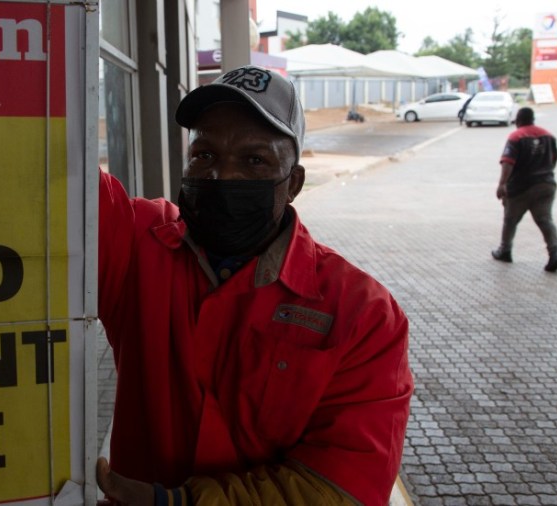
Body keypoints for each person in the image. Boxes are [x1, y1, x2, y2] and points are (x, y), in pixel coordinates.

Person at [95, 65, 413, 506]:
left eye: (254, 160)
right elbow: (63, 183)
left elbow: (343, 486)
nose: (223, 177)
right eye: (204, 155)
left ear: (294, 183)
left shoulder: (363, 313)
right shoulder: (139, 243)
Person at [491, 107, 557, 272]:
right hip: (546, 184)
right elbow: (554, 160)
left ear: (518, 120)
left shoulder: (516, 136)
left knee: (510, 219)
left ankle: (505, 250)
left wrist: (502, 184)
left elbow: (508, 162)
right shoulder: (548, 136)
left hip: (521, 186)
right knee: (545, 220)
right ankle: (555, 253)